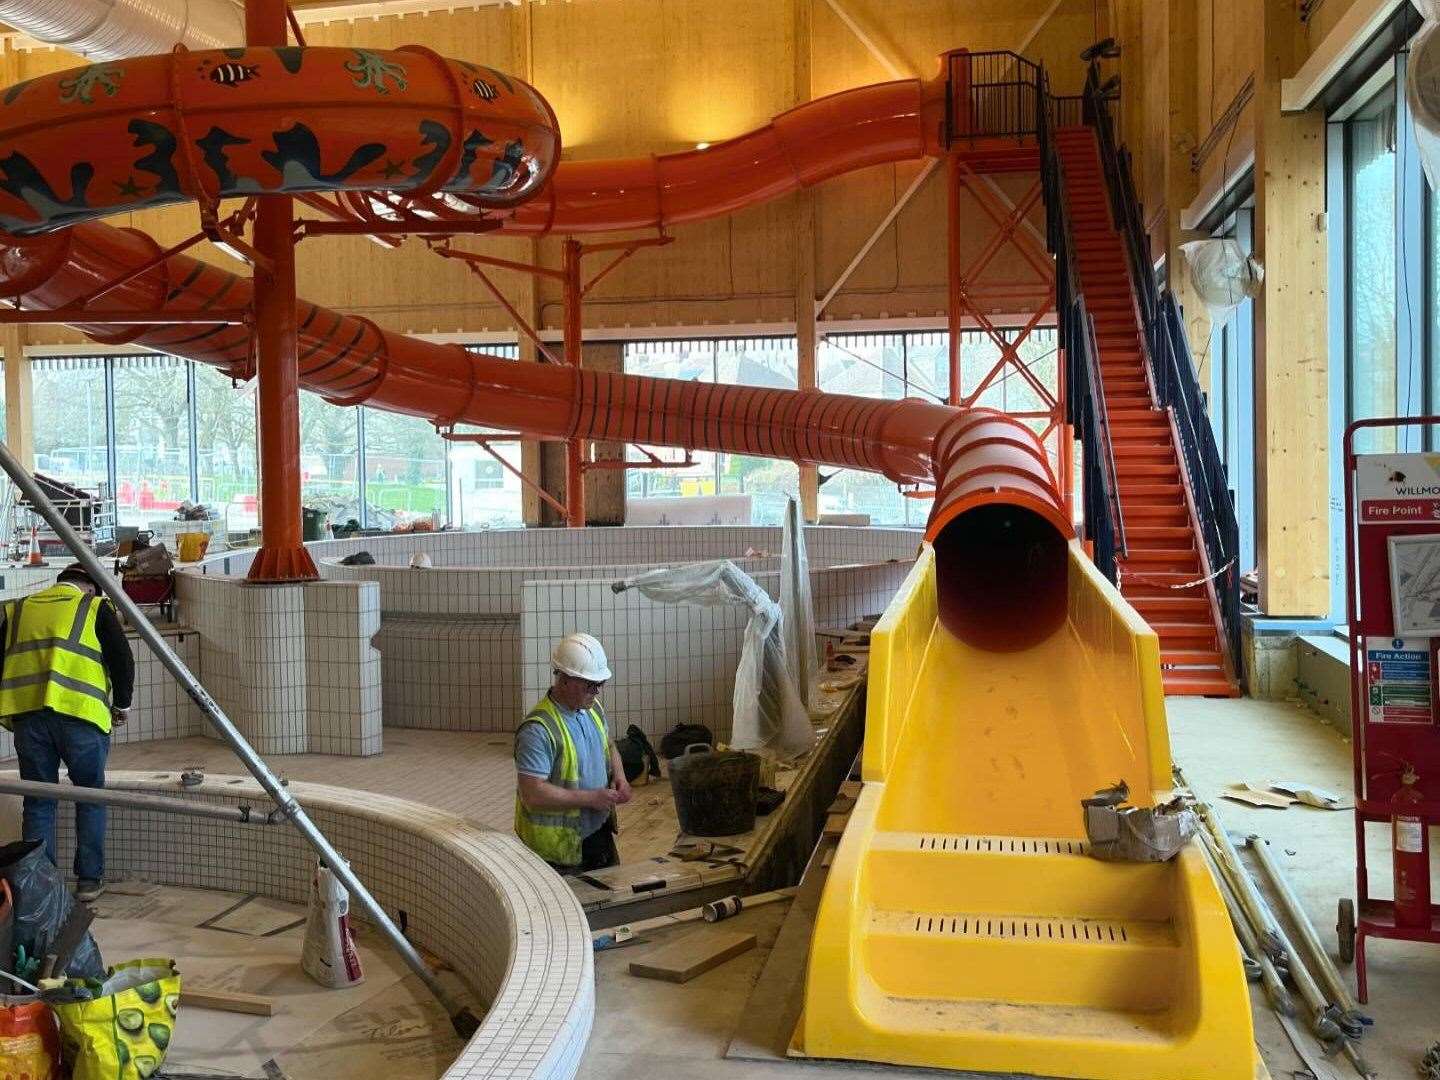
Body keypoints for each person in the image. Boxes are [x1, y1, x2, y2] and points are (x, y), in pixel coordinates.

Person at [0, 563, 134, 902]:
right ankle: (88, 881)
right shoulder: (93, 607)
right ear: (89, 587)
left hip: (30, 719)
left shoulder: (19, 609)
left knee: (39, 801)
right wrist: (122, 705)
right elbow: (122, 658)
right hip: (81, 717)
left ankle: (41, 887)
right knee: (89, 796)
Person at [514, 633, 632, 873]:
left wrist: (620, 777)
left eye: (600, 684)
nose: (597, 692)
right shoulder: (538, 729)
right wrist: (591, 798)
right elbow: (532, 794)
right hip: (555, 853)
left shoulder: (591, 708)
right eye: (590, 685)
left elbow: (608, 745)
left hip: (597, 832)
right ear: (565, 680)